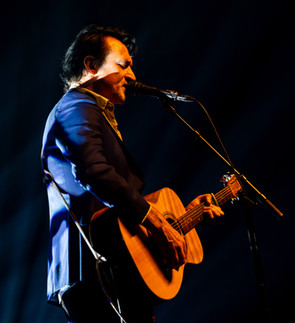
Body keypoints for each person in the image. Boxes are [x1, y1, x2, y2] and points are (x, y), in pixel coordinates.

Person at [41, 25, 224, 323]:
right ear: (91, 65)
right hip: (91, 267)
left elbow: (119, 216)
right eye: (123, 65)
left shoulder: (89, 110)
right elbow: (93, 171)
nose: (133, 76)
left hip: (114, 264)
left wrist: (184, 218)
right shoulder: (75, 107)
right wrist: (155, 222)